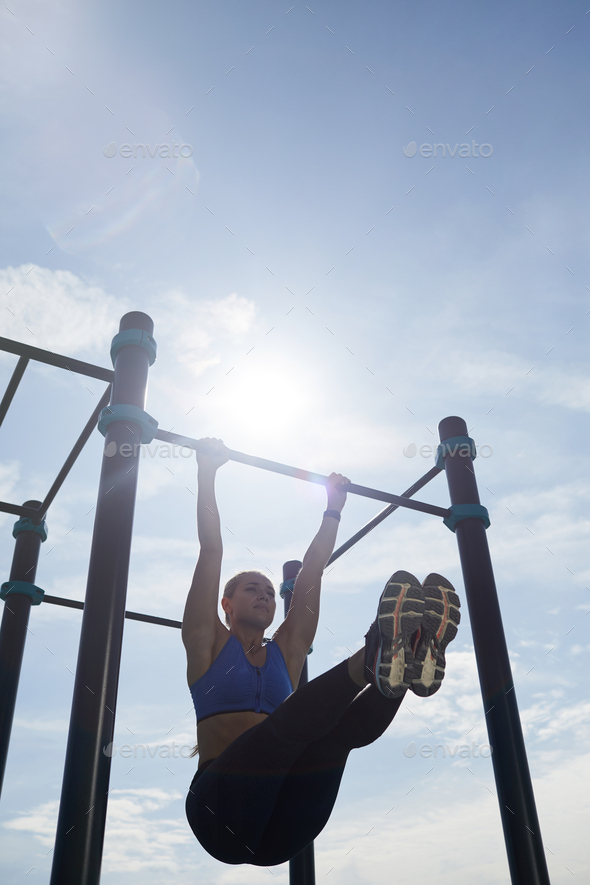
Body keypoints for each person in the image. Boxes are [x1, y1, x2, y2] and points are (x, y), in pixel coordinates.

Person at [183, 438, 461, 867]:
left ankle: (404, 663)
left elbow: (313, 568)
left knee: (335, 738)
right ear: (227, 604)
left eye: (270, 593)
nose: (264, 596)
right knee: (283, 732)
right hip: (219, 813)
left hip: (282, 830)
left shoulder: (287, 651)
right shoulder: (206, 642)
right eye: (251, 590)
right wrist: (207, 471)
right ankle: (374, 656)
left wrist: (334, 507)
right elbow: (211, 549)